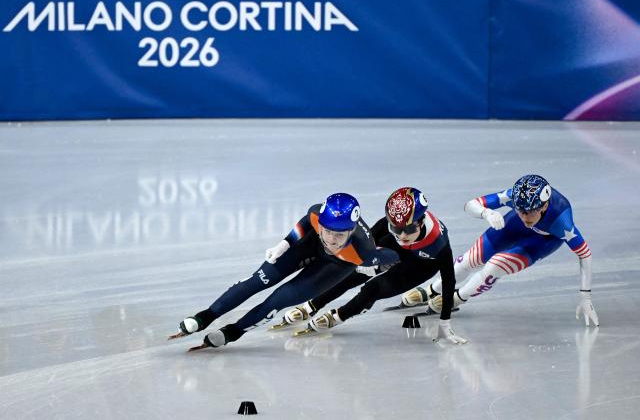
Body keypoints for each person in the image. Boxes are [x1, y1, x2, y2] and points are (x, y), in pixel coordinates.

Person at [168, 192, 400, 350]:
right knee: (257, 281)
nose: (331, 239)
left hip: (334, 266)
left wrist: (380, 265)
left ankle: (232, 332)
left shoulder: (365, 251)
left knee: (278, 300)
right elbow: (306, 223)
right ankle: (205, 316)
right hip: (309, 245)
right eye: (327, 230)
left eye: (339, 235)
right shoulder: (317, 213)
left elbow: (391, 256)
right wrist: (285, 244)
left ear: (351, 232)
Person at [400, 175, 599, 327]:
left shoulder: (562, 221)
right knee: (471, 259)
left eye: (530, 211)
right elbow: (471, 204)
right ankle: (432, 289)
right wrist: (486, 213)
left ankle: (458, 297)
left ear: (545, 205)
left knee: (495, 266)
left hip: (544, 240)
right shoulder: (516, 198)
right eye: (520, 210)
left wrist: (586, 296)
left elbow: (585, 254)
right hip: (513, 228)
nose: (525, 216)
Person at [277, 187, 467, 344]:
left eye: (409, 229)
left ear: (421, 222)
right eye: (396, 228)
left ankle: (340, 315)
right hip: (395, 251)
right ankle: (313, 304)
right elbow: (359, 253)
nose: (402, 235)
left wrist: (444, 324)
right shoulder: (391, 225)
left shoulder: (438, 243)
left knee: (373, 288)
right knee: (353, 271)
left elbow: (449, 280)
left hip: (421, 265)